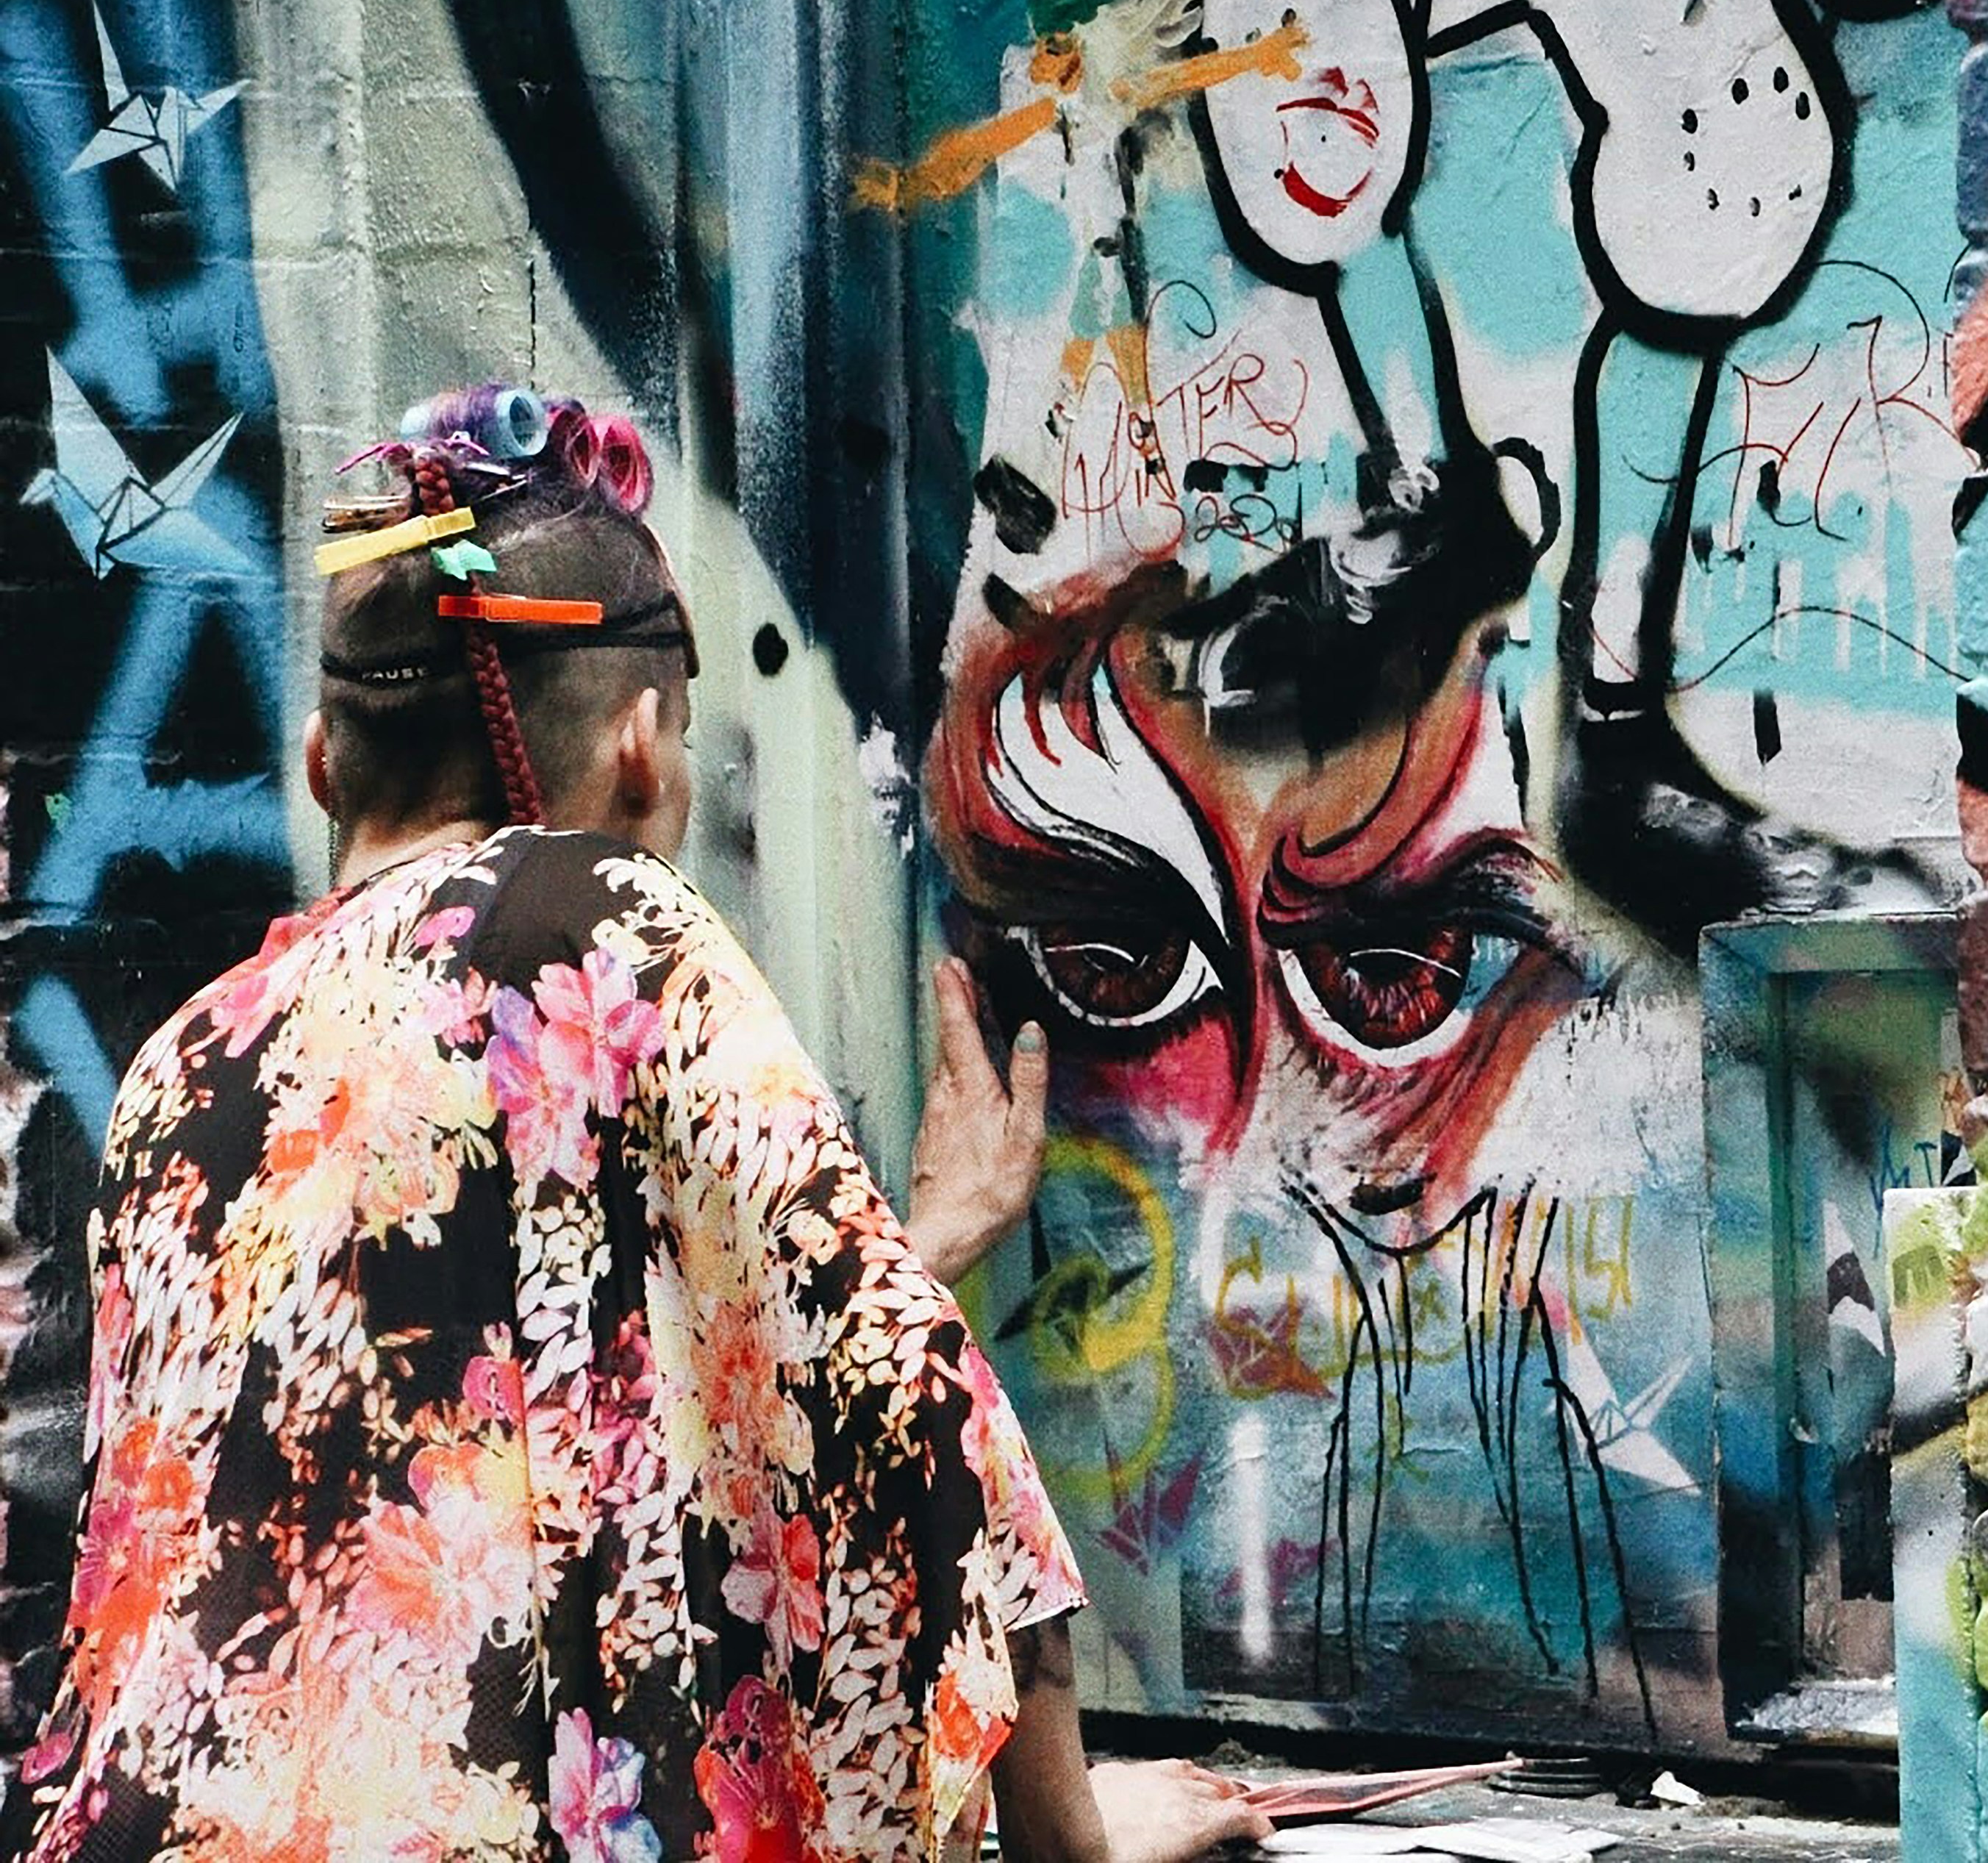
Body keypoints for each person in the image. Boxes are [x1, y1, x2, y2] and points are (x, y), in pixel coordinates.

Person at [0, 388, 1273, 1862]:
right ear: (643, 750)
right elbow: (907, 1413)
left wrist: (911, 1246)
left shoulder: (180, 1066)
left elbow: (502, 1434)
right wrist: (1072, 1840)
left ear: (320, 763)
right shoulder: (589, 922)